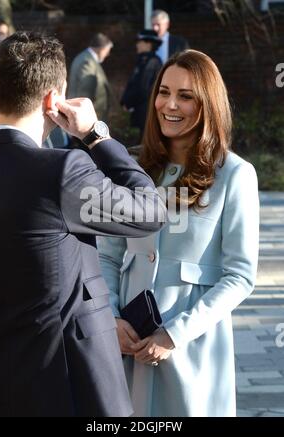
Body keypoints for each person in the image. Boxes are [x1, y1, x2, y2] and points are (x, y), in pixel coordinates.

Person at [0, 31, 166, 417]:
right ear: (54, 99)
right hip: (69, 378)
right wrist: (95, 136)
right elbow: (150, 212)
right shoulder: (62, 171)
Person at [97, 49, 259, 417]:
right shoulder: (130, 167)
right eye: (163, 92)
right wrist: (111, 317)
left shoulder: (235, 175)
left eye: (185, 96)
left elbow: (240, 276)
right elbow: (106, 254)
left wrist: (175, 335)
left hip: (192, 354)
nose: (170, 104)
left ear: (208, 103)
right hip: (128, 349)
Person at [121, 29, 162, 141]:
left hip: (145, 113)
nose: (137, 44)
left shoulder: (152, 62)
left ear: (148, 44)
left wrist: (128, 102)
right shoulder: (144, 60)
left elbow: (142, 88)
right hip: (142, 111)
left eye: (140, 41)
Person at [68, 32, 113, 122]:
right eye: (107, 51)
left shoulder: (86, 58)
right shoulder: (87, 62)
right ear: (102, 49)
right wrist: (87, 119)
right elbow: (85, 92)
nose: (107, 55)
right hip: (88, 119)